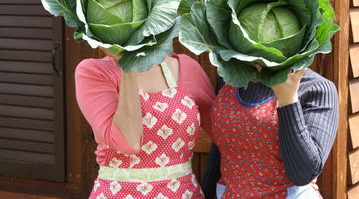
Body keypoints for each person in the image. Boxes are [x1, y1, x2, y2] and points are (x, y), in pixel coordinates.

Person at [75, 50, 215, 198]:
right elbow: (129, 143)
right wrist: (127, 65)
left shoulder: (186, 67)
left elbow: (224, 134)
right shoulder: (94, 72)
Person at [201, 68, 338, 198]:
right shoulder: (231, 76)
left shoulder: (317, 88)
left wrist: (288, 100)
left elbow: (302, 174)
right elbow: (220, 149)